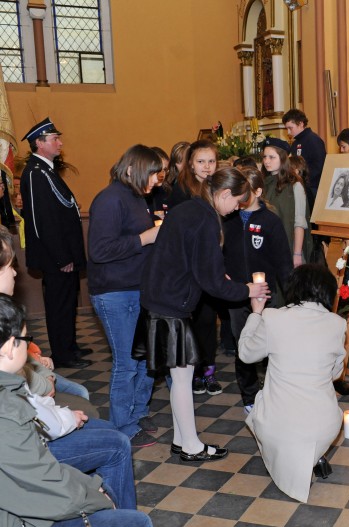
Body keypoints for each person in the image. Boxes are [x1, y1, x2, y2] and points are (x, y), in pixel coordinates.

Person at [141, 167, 269, 462]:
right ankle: (191, 446)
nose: (236, 209)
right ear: (223, 194)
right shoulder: (205, 220)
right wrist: (247, 290)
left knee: (179, 375)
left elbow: (194, 262)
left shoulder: (189, 208)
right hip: (171, 302)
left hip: (160, 297)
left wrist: (221, 278)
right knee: (183, 377)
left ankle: (180, 438)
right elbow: (211, 281)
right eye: (236, 202)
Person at [0, 294, 153, 527]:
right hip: (21, 519)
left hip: (23, 502)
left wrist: (90, 487)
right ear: (11, 346)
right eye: (26, 338)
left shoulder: (9, 391)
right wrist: (96, 498)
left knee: (111, 444)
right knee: (136, 523)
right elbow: (40, 480)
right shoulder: (7, 409)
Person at [238, 264, 346, 503]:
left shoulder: (273, 317)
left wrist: (255, 314)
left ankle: (293, 459)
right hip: (324, 426)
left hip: (281, 427)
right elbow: (336, 373)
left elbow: (246, 354)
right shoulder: (338, 323)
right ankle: (311, 455)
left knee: (259, 402)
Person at [88, 145, 162, 449]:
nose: (157, 180)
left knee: (143, 358)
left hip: (137, 288)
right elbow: (100, 251)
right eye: (153, 173)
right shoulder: (109, 199)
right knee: (127, 362)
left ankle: (138, 413)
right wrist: (145, 237)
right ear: (132, 170)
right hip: (114, 292)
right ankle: (123, 426)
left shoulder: (136, 197)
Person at [19, 117, 90, 370]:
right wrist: (62, 257)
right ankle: (62, 353)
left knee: (68, 301)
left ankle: (70, 346)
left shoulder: (46, 170)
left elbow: (60, 207)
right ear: (39, 143)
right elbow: (42, 222)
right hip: (56, 257)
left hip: (64, 253)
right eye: (54, 139)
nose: (60, 143)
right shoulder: (35, 173)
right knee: (59, 304)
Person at [223, 166, 292, 414]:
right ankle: (249, 396)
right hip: (237, 296)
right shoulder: (227, 220)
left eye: (245, 193)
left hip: (266, 298)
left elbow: (284, 263)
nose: (239, 199)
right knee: (244, 348)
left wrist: (294, 299)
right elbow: (217, 253)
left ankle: (275, 392)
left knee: (272, 347)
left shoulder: (270, 222)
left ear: (258, 191)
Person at [165, 140, 224, 396]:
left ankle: (209, 370)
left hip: (214, 260)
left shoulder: (220, 186)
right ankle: (195, 371)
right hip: (190, 264)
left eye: (211, 161)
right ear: (191, 163)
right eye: (201, 161)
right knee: (193, 320)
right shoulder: (181, 189)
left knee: (209, 320)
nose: (207, 167)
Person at [262, 138, 313, 266]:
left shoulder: (295, 185)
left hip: (289, 245)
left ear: (283, 158)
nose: (266, 161)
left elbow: (299, 222)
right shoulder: (265, 183)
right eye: (265, 157)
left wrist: (297, 254)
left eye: (272, 157)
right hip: (268, 245)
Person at [283, 108, 326, 207]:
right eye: (287, 129)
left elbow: (319, 165)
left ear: (301, 124)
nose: (288, 132)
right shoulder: (295, 143)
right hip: (300, 186)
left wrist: (303, 180)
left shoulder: (314, 140)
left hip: (313, 188)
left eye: (290, 128)